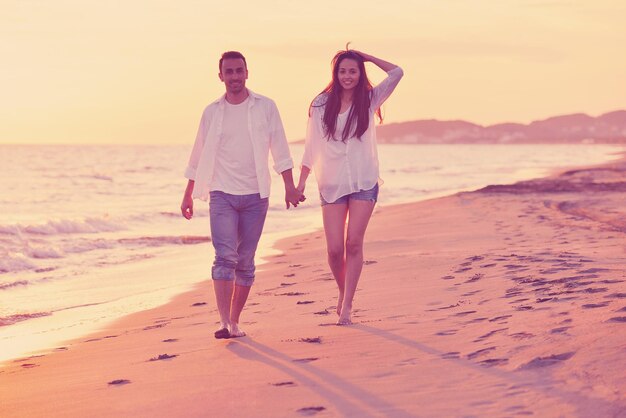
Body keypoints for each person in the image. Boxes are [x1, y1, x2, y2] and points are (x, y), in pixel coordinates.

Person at [181, 51, 304, 339]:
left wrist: (289, 185)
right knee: (224, 257)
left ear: (247, 73)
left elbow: (281, 148)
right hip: (221, 193)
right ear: (220, 75)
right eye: (229, 72)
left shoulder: (265, 107)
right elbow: (197, 155)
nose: (234, 76)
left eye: (239, 71)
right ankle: (224, 322)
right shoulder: (211, 112)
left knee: (245, 261)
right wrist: (188, 194)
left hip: (256, 195)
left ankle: (235, 322)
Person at [297, 48, 403, 325]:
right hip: (331, 183)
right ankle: (344, 292)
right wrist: (300, 182)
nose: (348, 76)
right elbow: (311, 147)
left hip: (363, 181)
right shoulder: (321, 104)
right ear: (336, 73)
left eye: (353, 71)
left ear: (360, 73)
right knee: (334, 250)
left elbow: (397, 72)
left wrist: (366, 56)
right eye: (343, 71)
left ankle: (347, 305)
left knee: (353, 242)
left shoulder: (369, 100)